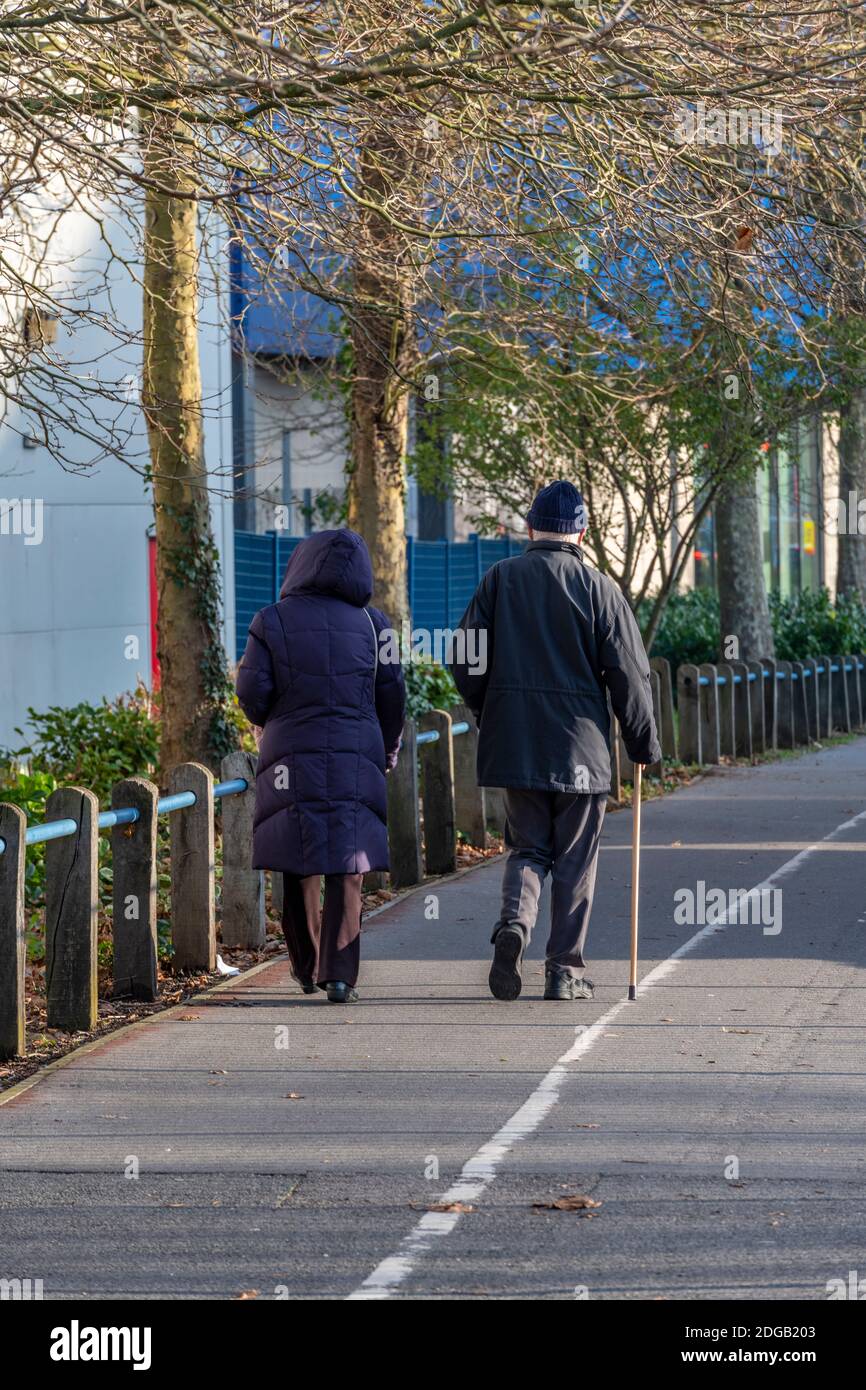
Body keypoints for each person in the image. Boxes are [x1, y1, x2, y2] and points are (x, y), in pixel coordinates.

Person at [451, 480, 661, 1003]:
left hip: (516, 745)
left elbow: (464, 658)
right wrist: (643, 744)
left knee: (527, 849)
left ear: (529, 527)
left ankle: (514, 927)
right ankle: (564, 971)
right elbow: (630, 676)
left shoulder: (499, 580)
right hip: (581, 753)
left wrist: (488, 709)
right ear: (582, 533)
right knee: (574, 859)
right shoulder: (600, 589)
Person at [236, 528, 405, 1004]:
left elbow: (251, 691)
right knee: (348, 863)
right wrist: (388, 749)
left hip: (291, 752)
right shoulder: (377, 626)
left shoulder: (271, 622)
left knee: (297, 854)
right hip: (357, 753)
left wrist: (267, 719)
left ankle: (306, 966)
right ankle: (339, 975)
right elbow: (392, 697)